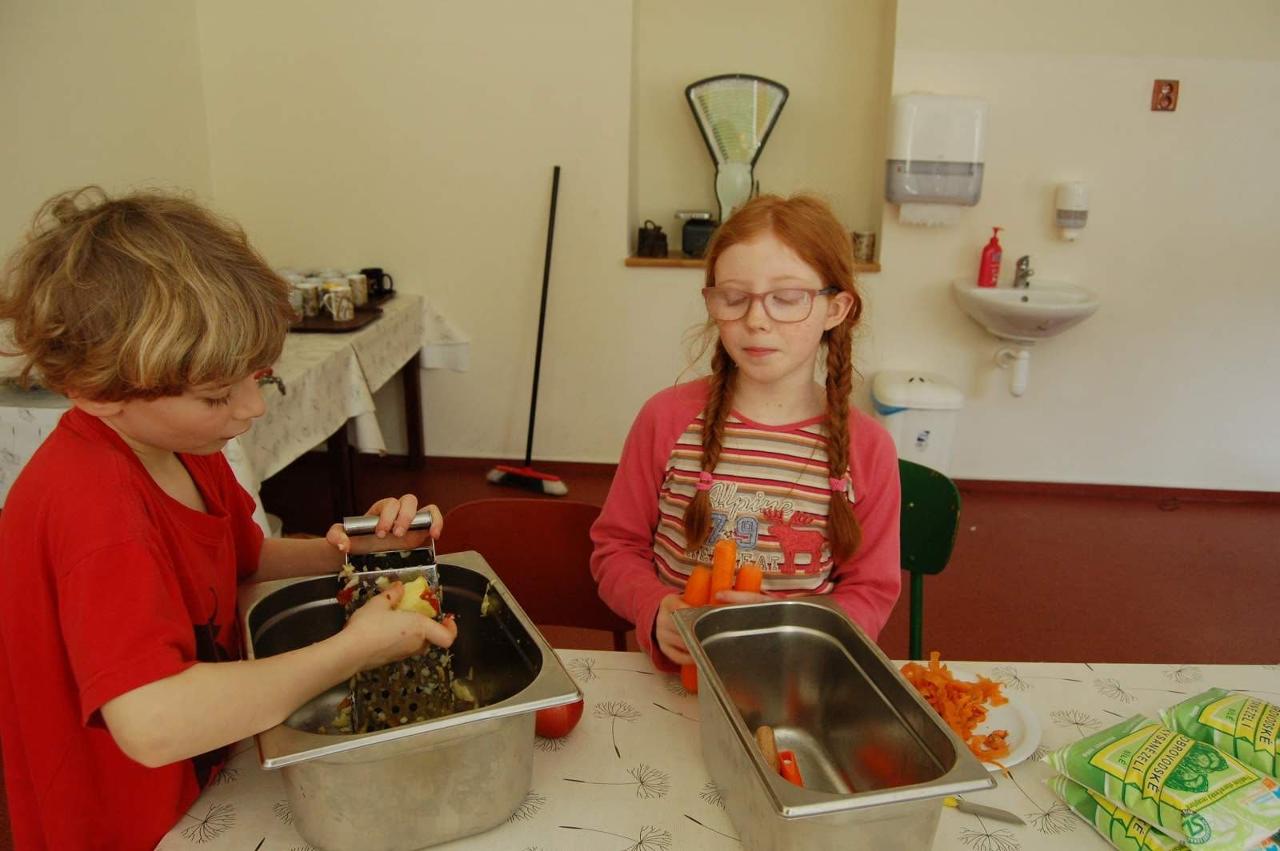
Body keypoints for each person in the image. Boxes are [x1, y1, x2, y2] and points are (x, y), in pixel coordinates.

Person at [0, 187, 457, 850]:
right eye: (217, 395)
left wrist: (356, 550)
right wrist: (353, 649)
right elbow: (152, 721)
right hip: (123, 820)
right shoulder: (95, 512)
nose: (252, 409)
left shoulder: (185, 448)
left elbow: (242, 557)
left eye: (259, 376)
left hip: (199, 782)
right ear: (95, 393)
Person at [591, 194, 901, 672]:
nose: (756, 320)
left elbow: (870, 591)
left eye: (787, 298)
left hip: (792, 680)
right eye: (734, 298)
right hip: (671, 681)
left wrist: (793, 634)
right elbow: (616, 550)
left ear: (836, 309)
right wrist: (654, 608)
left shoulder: (869, 448)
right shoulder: (665, 418)